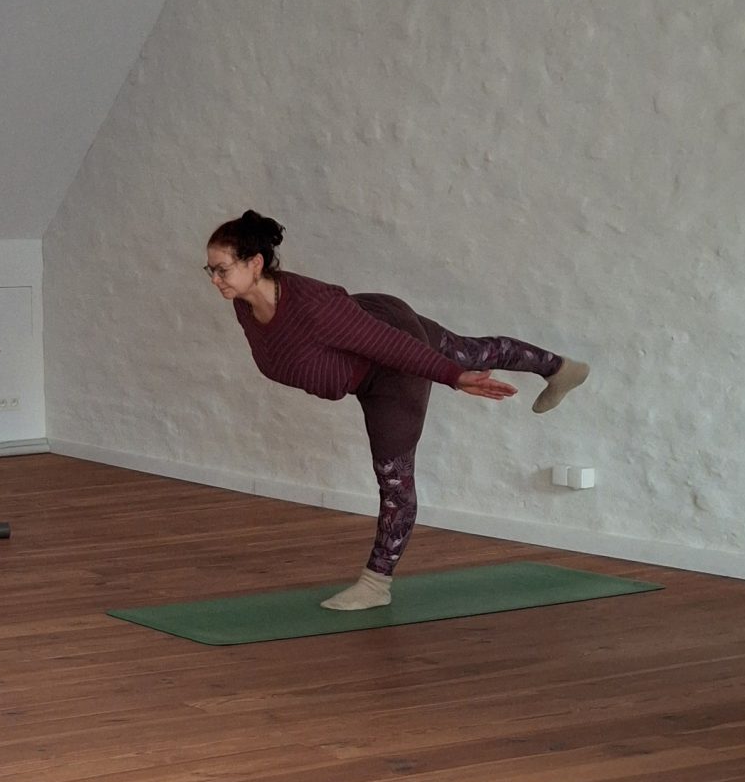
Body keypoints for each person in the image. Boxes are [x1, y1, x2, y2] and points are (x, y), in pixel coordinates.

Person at [205, 210, 588, 611]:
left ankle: (375, 584)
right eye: (210, 270)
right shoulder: (245, 304)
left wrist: (454, 378)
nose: (215, 280)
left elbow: (394, 348)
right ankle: (562, 368)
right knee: (470, 350)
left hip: (390, 371)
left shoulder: (312, 306)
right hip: (378, 320)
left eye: (222, 270)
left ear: (255, 263)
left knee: (394, 478)